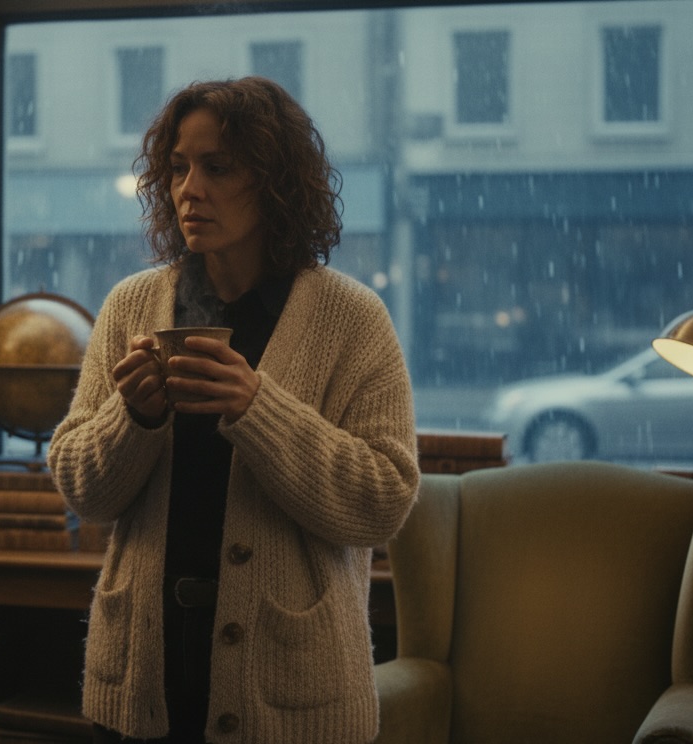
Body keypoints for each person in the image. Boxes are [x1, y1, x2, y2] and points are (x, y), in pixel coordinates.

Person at [47, 76, 420, 743]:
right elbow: (84, 491)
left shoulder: (351, 319)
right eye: (178, 168)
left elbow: (383, 501)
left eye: (218, 167)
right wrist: (131, 419)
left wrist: (258, 408)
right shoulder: (132, 306)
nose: (189, 189)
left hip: (290, 691)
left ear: (276, 181)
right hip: (143, 682)